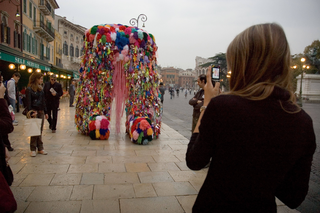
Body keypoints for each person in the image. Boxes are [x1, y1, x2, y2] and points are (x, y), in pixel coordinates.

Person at [186, 23, 316, 213]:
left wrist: (206, 105)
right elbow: (293, 197)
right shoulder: (302, 121)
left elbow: (194, 160)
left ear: (244, 65)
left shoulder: (224, 107)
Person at [26, 73, 49, 157]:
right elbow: (28, 102)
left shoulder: (41, 89)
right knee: (34, 130)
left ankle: (40, 148)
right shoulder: (29, 89)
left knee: (40, 130)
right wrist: (31, 112)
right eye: (40, 78)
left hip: (41, 111)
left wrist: (46, 112)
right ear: (36, 79)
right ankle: (33, 148)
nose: (41, 80)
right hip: (34, 112)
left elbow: (43, 101)